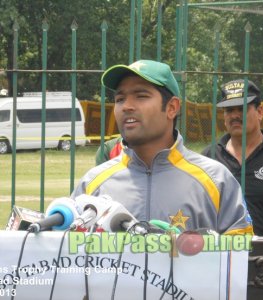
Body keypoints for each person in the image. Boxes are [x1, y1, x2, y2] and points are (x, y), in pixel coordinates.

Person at [72, 60, 253, 235]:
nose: (126, 106)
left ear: (172, 107)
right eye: (120, 99)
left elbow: (241, 258)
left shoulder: (216, 181)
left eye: (141, 96)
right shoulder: (93, 184)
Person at [202, 79, 263, 241]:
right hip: (220, 257)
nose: (234, 116)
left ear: (260, 112)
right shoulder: (208, 158)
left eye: (242, 109)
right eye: (229, 110)